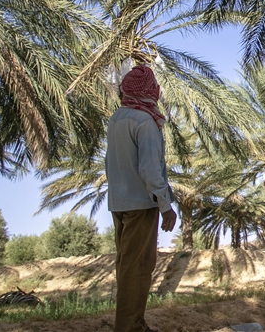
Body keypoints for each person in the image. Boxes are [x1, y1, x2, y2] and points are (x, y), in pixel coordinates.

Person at [105, 65, 178, 332]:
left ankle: (134, 323)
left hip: (119, 203)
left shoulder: (116, 119)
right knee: (138, 268)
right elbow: (149, 169)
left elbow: (109, 163)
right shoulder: (145, 122)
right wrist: (165, 205)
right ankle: (129, 327)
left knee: (126, 266)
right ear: (150, 91)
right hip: (141, 205)